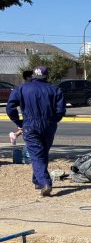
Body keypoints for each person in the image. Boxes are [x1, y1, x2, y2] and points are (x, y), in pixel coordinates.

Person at [6, 66, 65, 196]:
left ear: (33, 75)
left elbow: (10, 108)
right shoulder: (55, 89)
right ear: (46, 76)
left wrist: (19, 122)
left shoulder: (22, 88)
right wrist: (52, 121)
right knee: (42, 152)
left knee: (37, 154)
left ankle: (44, 183)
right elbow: (61, 111)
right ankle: (37, 180)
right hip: (48, 125)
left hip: (30, 124)